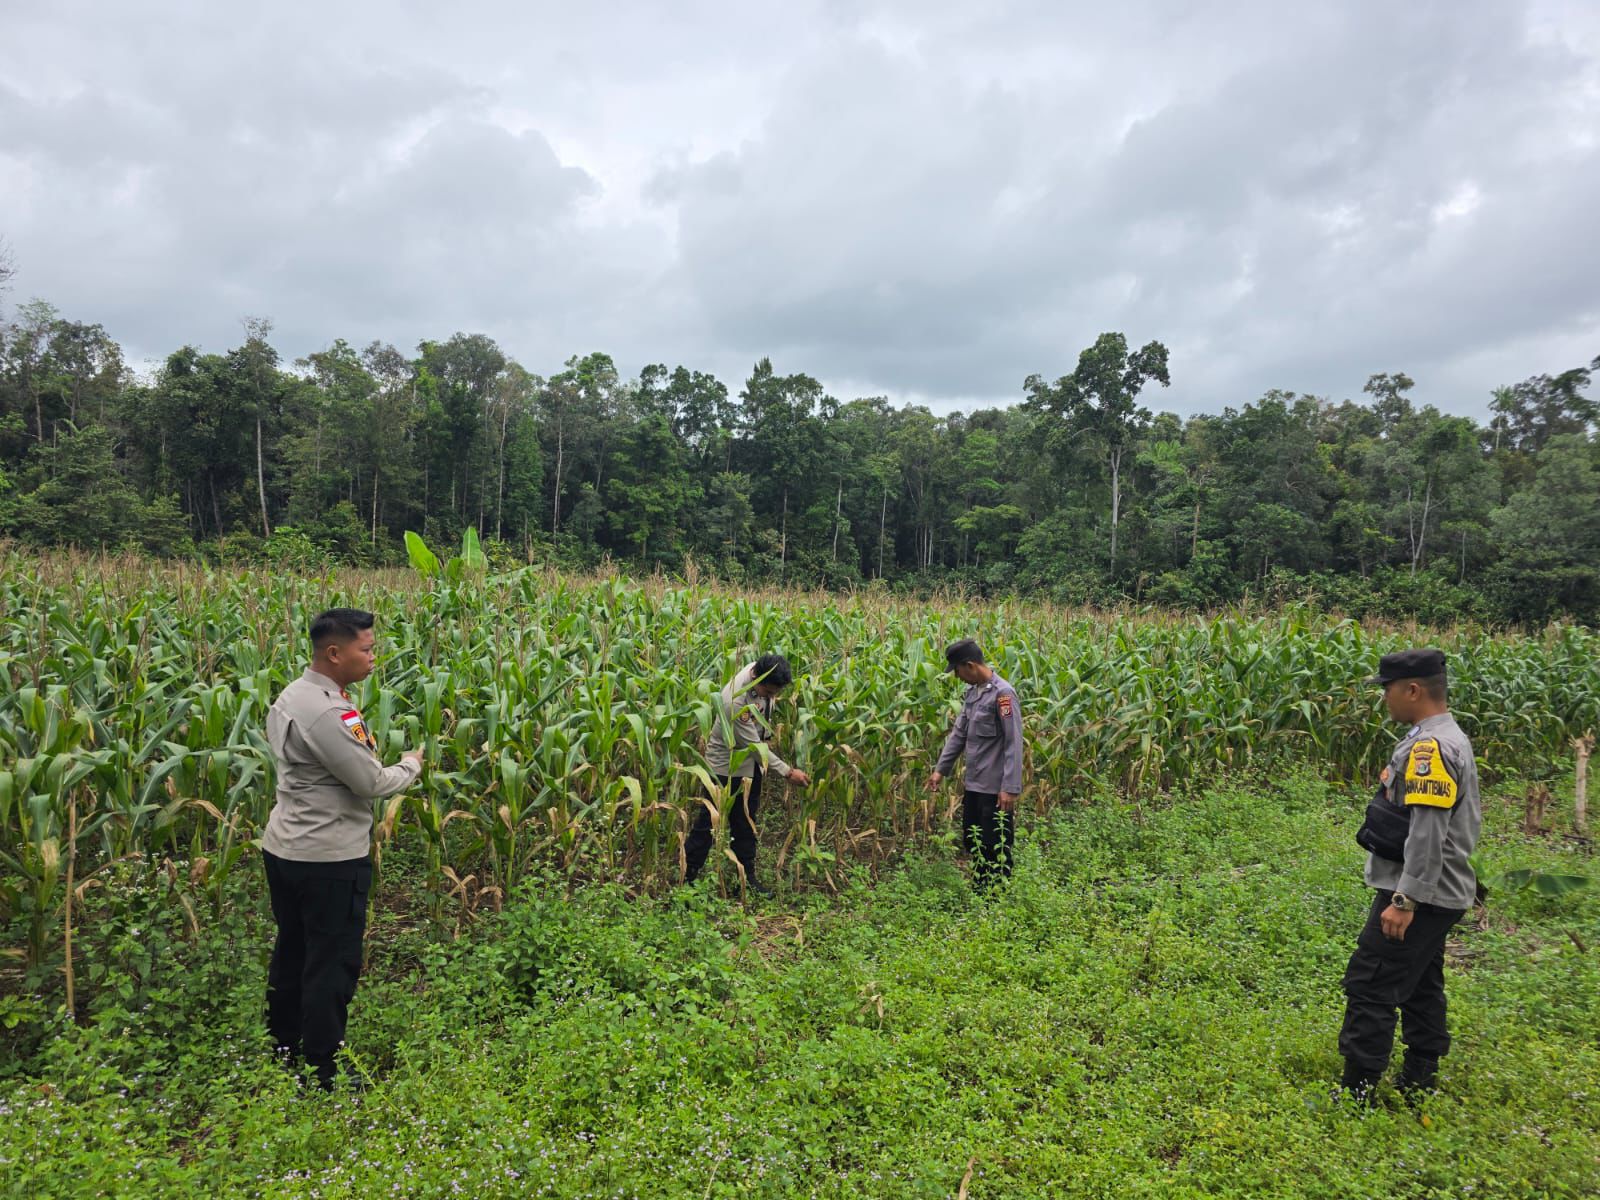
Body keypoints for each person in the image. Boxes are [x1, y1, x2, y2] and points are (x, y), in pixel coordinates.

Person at [261, 607, 424, 1090]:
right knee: (331, 962)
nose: (373, 657)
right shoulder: (332, 713)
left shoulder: (295, 694)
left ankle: (284, 1046)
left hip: (285, 849)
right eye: (366, 649)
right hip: (328, 859)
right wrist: (411, 765)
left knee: (292, 950)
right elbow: (370, 781)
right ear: (335, 653)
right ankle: (323, 1069)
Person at [1339, 648, 1481, 1105]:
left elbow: (1427, 832)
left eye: (1388, 689)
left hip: (1421, 892)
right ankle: (1419, 1078)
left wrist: (1404, 901)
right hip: (1439, 891)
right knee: (1420, 981)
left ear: (1413, 690)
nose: (1385, 698)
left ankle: (1356, 1092)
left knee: (1371, 982)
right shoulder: (1445, 735)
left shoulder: (1430, 747)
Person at [683, 653, 810, 895]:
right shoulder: (736, 701)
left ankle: (746, 879)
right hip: (726, 767)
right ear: (758, 679)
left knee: (746, 824)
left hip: (751, 767)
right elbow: (753, 747)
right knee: (708, 825)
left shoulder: (762, 671)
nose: (773, 697)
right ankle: (686, 879)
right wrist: (787, 772)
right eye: (771, 693)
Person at [928, 638, 1024, 888]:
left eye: (958, 671)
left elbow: (1014, 742)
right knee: (975, 841)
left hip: (995, 789)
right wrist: (941, 770)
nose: (958, 677)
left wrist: (1010, 787)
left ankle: (997, 898)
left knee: (996, 844)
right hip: (974, 785)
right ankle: (981, 892)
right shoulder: (972, 694)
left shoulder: (1003, 695)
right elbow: (959, 734)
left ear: (969, 665)